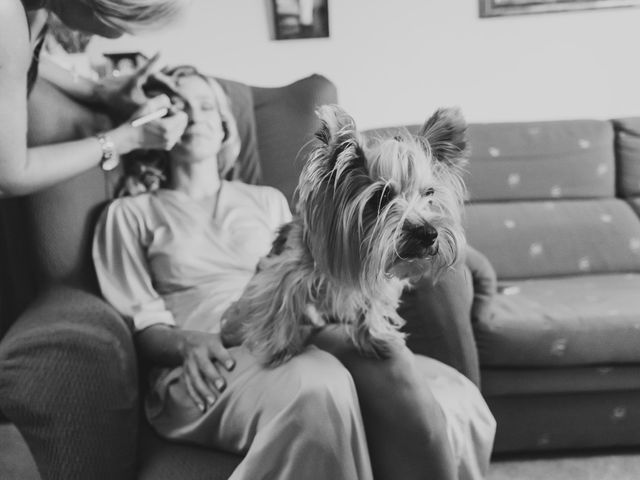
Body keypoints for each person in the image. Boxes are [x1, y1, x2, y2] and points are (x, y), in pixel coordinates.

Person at [93, 65, 496, 480]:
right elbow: (140, 321)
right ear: (152, 125)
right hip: (209, 359)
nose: (194, 115)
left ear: (227, 126)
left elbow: (320, 261)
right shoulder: (128, 214)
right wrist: (187, 345)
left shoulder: (265, 200)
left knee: (451, 392)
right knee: (322, 387)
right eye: (178, 107)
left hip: (296, 330)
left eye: (207, 106)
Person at [0, 0, 192, 197]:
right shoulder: (6, 17)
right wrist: (127, 138)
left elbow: (19, 62)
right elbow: (7, 179)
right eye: (124, 25)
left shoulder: (35, 11)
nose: (115, 36)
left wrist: (99, 92)